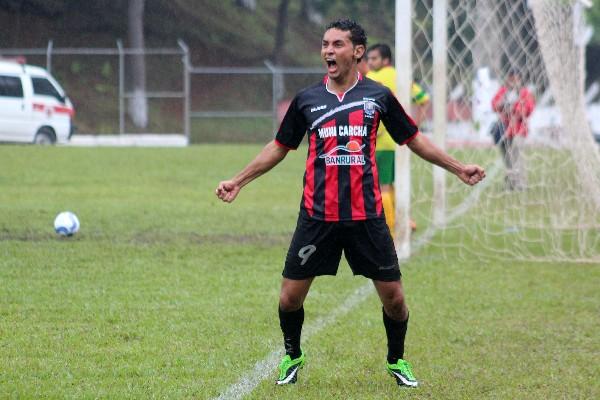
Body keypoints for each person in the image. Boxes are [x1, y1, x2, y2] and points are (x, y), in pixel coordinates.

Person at [215, 19, 485, 388]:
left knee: (395, 299)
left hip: (366, 216)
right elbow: (279, 147)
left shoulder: (378, 97)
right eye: (325, 44)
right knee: (289, 298)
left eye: (337, 44)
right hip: (318, 214)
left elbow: (414, 140)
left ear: (357, 52)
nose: (329, 51)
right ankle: (292, 355)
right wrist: (238, 180)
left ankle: (397, 360)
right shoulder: (307, 99)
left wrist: (457, 168)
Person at [366, 43, 430, 233]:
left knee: (382, 186)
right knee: (393, 182)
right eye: (368, 59)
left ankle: (390, 227)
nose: (370, 62)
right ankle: (404, 219)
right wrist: (414, 124)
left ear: (385, 60)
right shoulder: (402, 77)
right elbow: (424, 99)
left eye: (374, 58)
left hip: (380, 141)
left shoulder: (371, 78)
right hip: (399, 140)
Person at [491, 71, 535, 190]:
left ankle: (520, 183)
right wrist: (502, 106)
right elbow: (494, 104)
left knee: (517, 156)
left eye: (516, 79)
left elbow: (528, 109)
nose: (513, 82)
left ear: (520, 80)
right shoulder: (504, 91)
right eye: (511, 79)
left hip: (519, 131)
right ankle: (510, 183)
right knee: (507, 159)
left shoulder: (525, 92)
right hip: (505, 131)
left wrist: (512, 108)